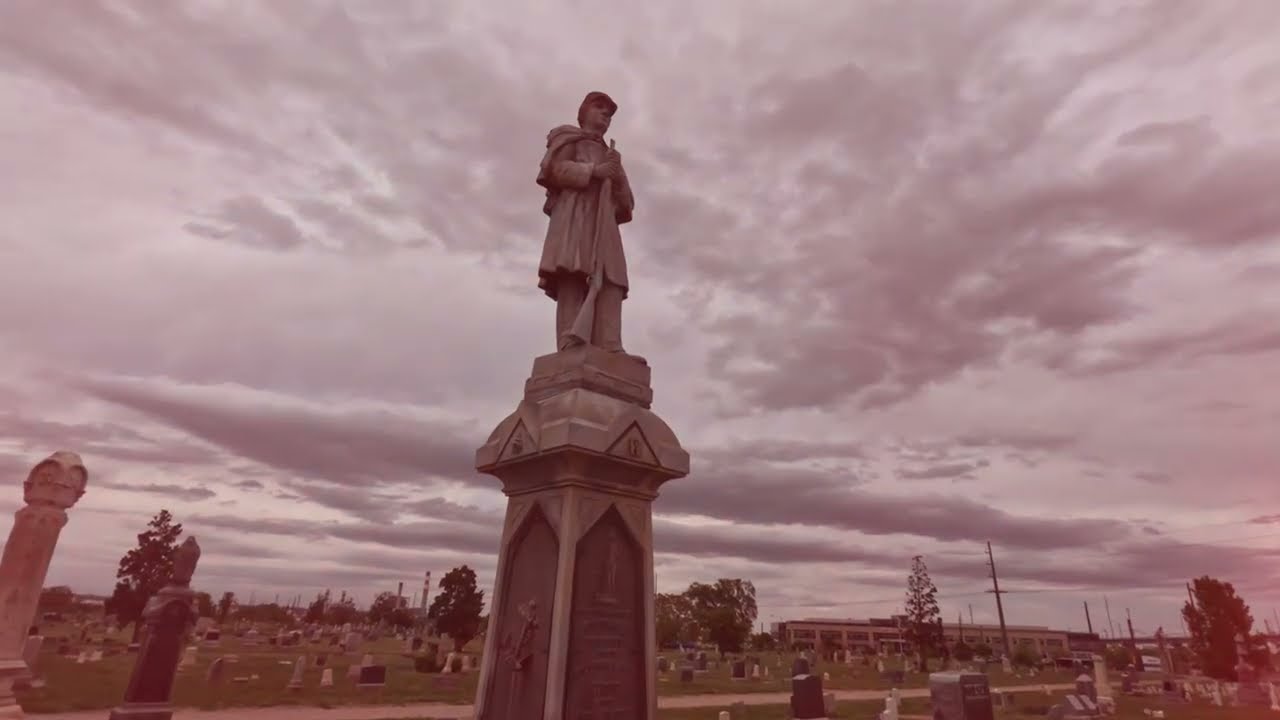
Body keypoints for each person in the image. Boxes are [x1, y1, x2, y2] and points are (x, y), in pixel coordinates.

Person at [535, 91, 635, 352]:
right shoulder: (569, 138)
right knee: (573, 274)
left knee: (612, 280)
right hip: (575, 217)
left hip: (604, 224)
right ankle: (570, 342)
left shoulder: (610, 154)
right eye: (599, 107)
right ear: (584, 112)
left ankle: (611, 346)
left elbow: (627, 205)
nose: (605, 114)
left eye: (609, 113)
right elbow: (555, 170)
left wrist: (617, 175)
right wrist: (593, 172)